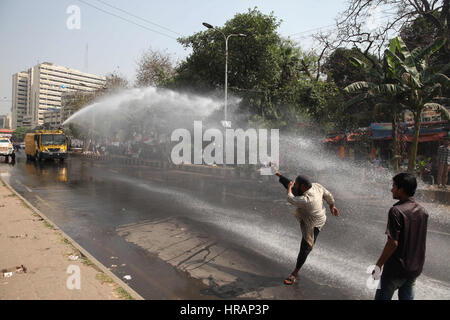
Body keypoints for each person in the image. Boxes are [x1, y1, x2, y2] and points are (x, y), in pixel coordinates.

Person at [275, 171, 340, 285]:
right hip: (308, 215)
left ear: (304, 186)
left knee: (306, 248)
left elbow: (290, 198)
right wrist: (332, 205)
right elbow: (328, 195)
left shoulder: (307, 199)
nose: (295, 185)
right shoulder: (316, 186)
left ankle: (294, 273)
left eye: (297, 184)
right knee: (292, 187)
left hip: (313, 223)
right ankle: (279, 175)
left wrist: (290, 187)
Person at [373, 172, 429, 300]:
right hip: (413, 268)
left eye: (394, 186)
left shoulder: (396, 211)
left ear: (401, 189)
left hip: (395, 269)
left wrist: (378, 265)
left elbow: (393, 243)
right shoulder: (423, 211)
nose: (391, 189)